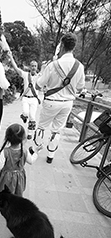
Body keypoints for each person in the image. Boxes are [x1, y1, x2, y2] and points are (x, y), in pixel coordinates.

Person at [34, 32, 85, 164]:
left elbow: (39, 85)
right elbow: (80, 88)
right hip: (67, 103)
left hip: (51, 101)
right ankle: (51, 155)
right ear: (73, 46)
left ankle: (35, 149)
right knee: (57, 129)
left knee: (42, 126)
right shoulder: (79, 67)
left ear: (61, 45)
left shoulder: (53, 65)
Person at [0, 123, 42, 196]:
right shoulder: (24, 150)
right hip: (19, 177)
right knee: (17, 193)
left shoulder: (5, 152)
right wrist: (36, 152)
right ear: (23, 138)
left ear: (7, 138)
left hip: (6, 178)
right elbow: (31, 161)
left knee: (5, 194)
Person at [7, 52, 41, 140]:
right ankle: (23, 116)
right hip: (26, 98)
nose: (33, 67)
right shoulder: (25, 75)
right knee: (26, 112)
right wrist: (11, 57)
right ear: (30, 67)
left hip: (34, 99)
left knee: (32, 117)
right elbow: (16, 68)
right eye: (32, 65)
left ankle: (29, 133)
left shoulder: (39, 77)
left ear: (37, 67)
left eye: (35, 66)